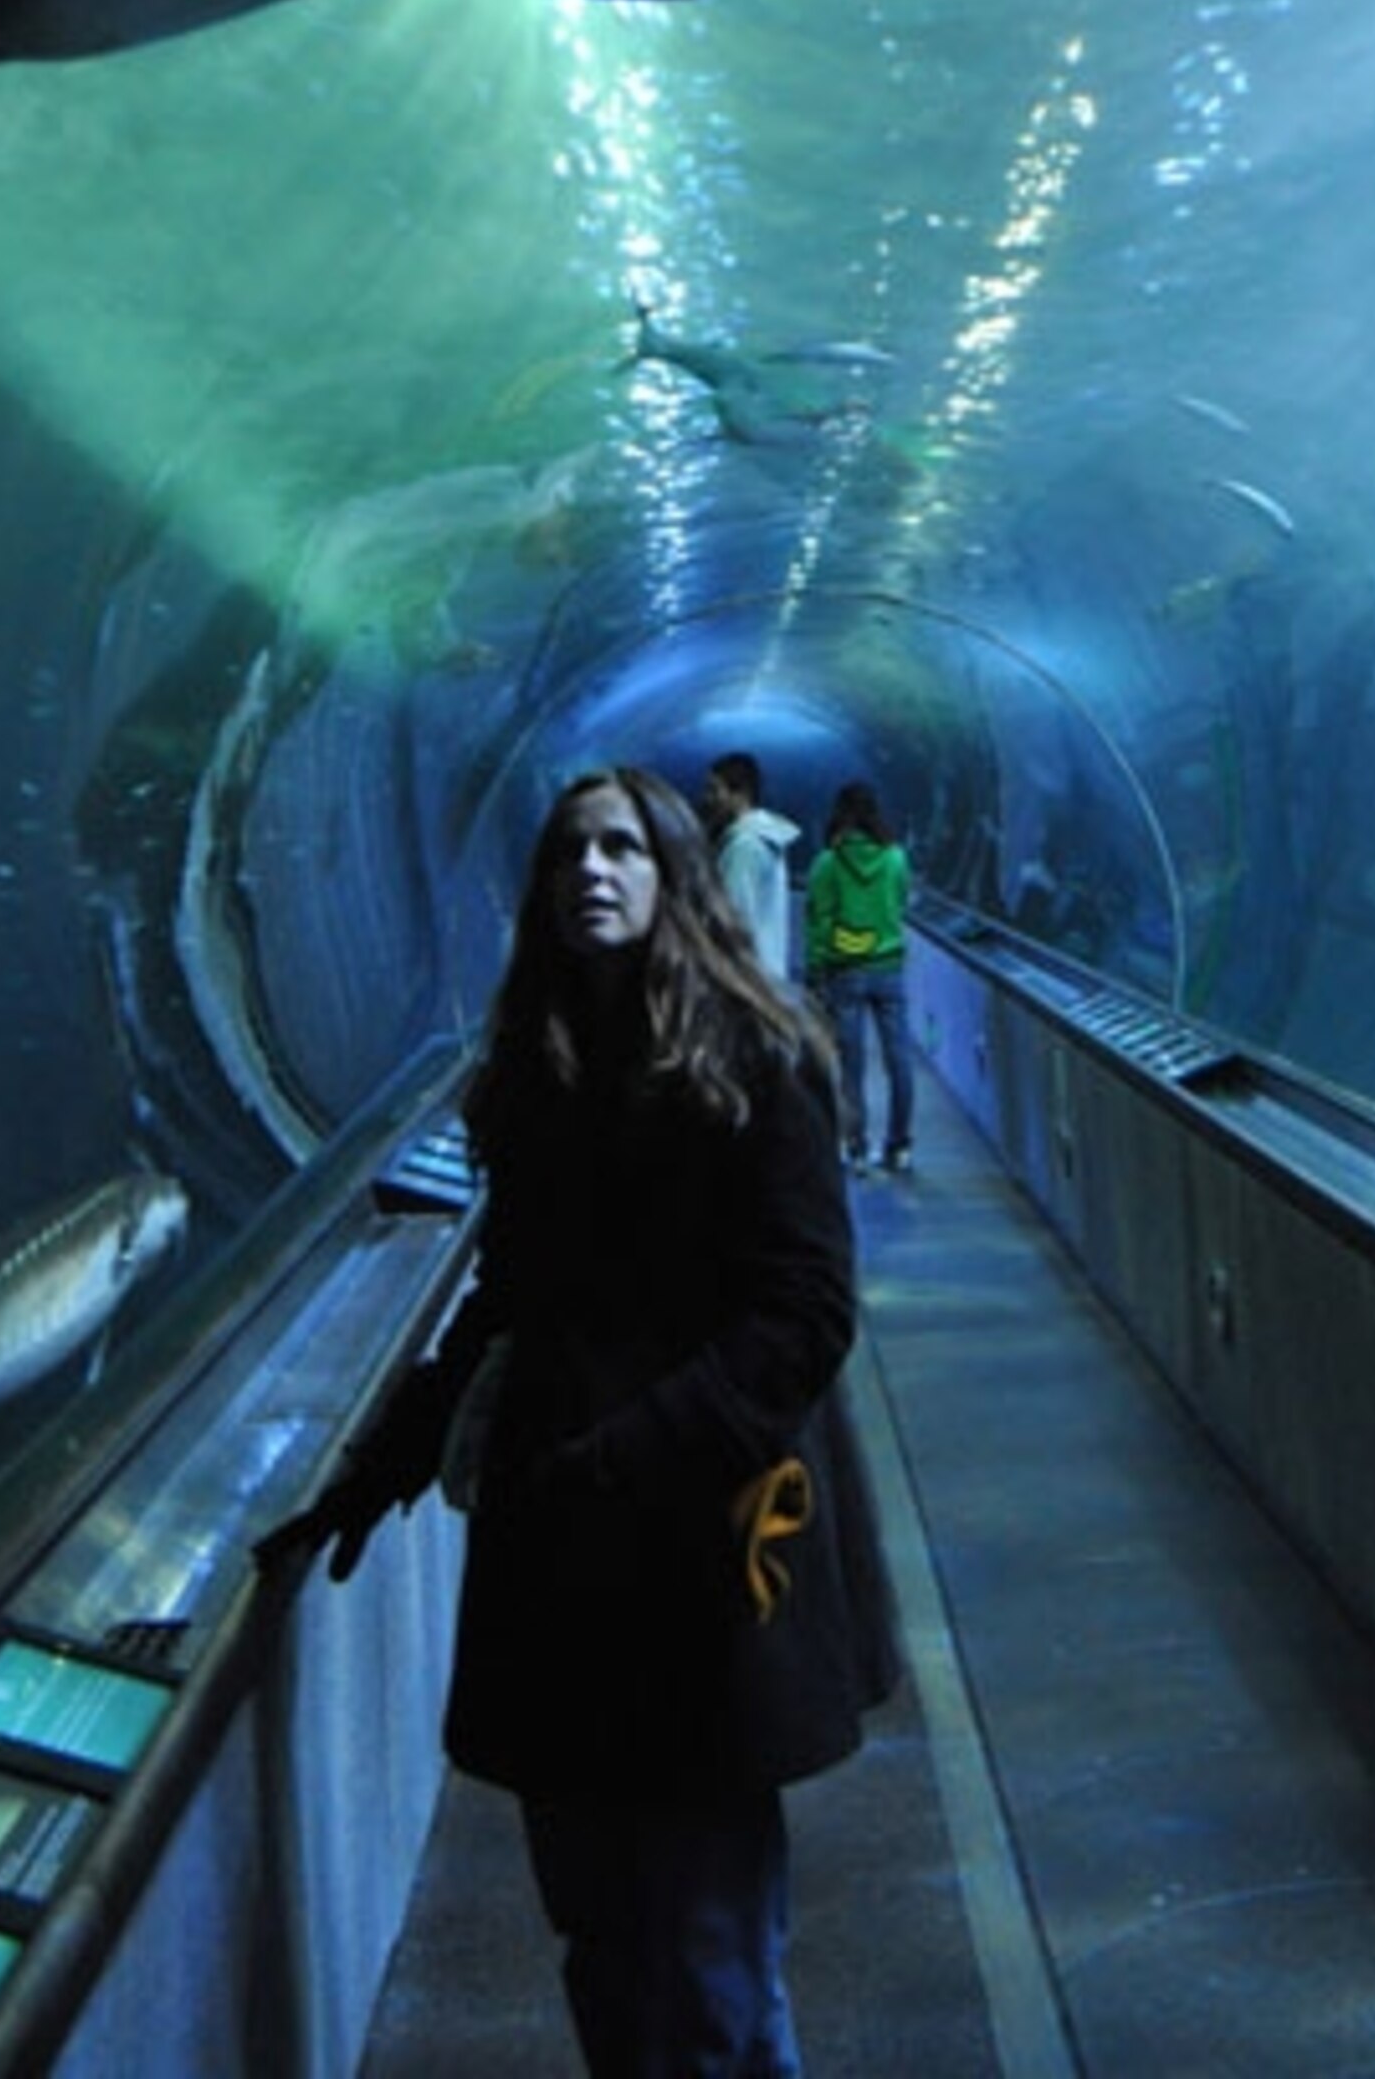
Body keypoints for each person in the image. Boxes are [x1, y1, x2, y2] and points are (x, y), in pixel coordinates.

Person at [258, 765, 899, 2079]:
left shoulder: (761, 1064)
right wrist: (374, 1469)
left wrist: (619, 1462)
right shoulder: (537, 1075)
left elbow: (802, 1314)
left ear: (674, 875)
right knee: (598, 1932)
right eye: (566, 854)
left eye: (619, 849)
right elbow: (507, 1304)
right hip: (558, 1560)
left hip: (701, 1552)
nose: (590, 874)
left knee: (715, 1952)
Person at [805, 782, 919, 1178]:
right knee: (899, 1060)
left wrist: (815, 971)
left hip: (844, 972)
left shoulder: (827, 864)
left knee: (850, 1065)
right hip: (888, 968)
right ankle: (900, 1145)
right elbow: (902, 901)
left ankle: (856, 1146)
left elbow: (819, 922)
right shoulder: (895, 859)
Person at [702, 751, 802, 985]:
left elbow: (732, 918)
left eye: (714, 790)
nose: (707, 798)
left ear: (741, 794)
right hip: (767, 971)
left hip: (744, 978)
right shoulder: (766, 838)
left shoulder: (744, 846)